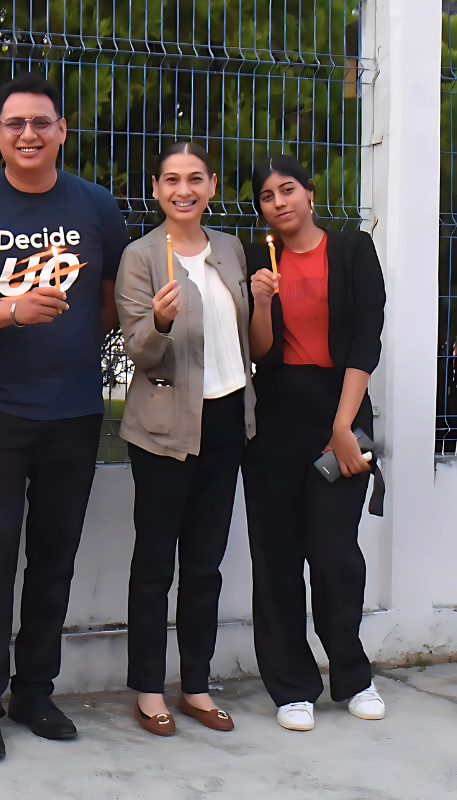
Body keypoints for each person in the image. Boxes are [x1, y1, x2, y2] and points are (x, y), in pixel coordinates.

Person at [0, 72, 129, 761]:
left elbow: (108, 304)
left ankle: (33, 691)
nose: (28, 135)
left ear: (62, 131)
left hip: (73, 411)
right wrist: (13, 309)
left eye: (42, 123)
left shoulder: (96, 206)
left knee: (54, 561)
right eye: (14, 124)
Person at [115, 142, 254, 736]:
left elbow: (250, 339)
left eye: (196, 179)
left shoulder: (229, 248)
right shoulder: (141, 257)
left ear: (213, 185)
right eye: (171, 179)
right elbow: (138, 352)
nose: (184, 190)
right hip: (165, 427)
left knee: (205, 565)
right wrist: (161, 321)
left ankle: (195, 683)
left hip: (227, 420)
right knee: (155, 565)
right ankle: (149, 689)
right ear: (155, 188)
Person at [245, 155, 387, 732]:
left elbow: (365, 341)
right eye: (266, 196)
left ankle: (352, 676)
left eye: (288, 190)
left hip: (342, 410)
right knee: (276, 555)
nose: (278, 202)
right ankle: (291, 686)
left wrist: (342, 427)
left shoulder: (352, 250)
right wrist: (259, 300)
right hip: (276, 414)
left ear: (309, 193)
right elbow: (259, 354)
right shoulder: (261, 259)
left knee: (334, 553)